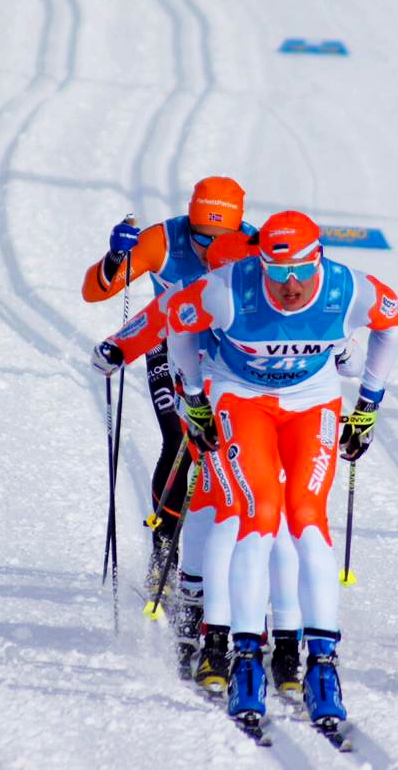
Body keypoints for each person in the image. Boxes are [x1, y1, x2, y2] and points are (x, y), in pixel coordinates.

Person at [90, 230, 365, 695]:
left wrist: (335, 348)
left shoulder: (247, 289)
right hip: (216, 416)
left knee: (250, 515)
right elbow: (153, 321)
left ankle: (257, 632)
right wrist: (116, 349)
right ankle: (218, 626)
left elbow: (347, 357)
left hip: (264, 415)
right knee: (232, 510)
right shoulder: (206, 294)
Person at [164, 209, 398, 729]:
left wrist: (368, 404)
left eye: (298, 271)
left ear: (318, 259)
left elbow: (393, 323)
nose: (289, 285)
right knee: (260, 512)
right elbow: (177, 323)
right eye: (276, 274)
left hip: (312, 401)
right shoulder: (228, 290)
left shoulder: (349, 290)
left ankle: (322, 667)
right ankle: (245, 659)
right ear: (261, 266)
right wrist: (192, 397)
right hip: (241, 396)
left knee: (307, 517)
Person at [84, 177, 255, 606]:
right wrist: (115, 259)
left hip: (226, 355)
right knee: (179, 439)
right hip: (167, 342)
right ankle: (164, 554)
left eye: (221, 238)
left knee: (231, 452)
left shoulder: (254, 245)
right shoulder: (163, 239)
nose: (207, 248)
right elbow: (95, 291)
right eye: (200, 236)